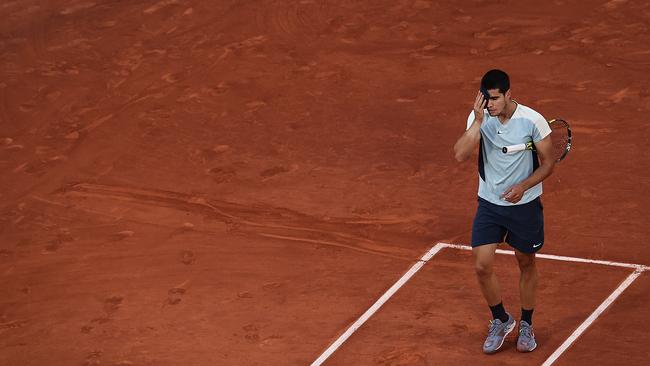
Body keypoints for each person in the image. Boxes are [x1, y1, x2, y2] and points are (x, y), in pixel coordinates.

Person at [453, 69, 555, 354]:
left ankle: (527, 323)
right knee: (482, 265)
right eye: (486, 99)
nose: (491, 104)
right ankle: (501, 319)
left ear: (509, 94)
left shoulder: (532, 121)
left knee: (525, 262)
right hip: (489, 203)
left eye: (495, 99)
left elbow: (548, 163)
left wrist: (523, 186)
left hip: (524, 206)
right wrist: (478, 121)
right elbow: (460, 154)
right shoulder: (480, 117)